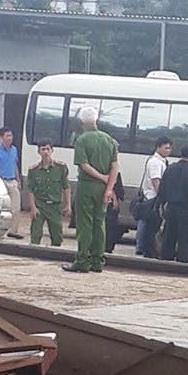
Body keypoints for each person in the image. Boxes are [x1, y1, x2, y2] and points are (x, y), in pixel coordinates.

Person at [63, 107, 118, 274]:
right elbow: (115, 166)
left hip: (87, 186)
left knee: (84, 224)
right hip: (103, 188)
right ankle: (97, 261)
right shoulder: (109, 140)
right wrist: (109, 188)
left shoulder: (82, 140)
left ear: (81, 122)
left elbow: (83, 165)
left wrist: (101, 177)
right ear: (96, 120)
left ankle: (82, 261)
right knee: (99, 224)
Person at [157, 143, 188, 263]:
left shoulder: (170, 168)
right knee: (185, 237)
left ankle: (166, 258)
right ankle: (182, 260)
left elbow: (162, 189)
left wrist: (161, 205)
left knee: (169, 235)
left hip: (171, 207)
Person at [26, 139, 70, 247]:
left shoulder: (61, 168)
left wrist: (68, 205)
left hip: (55, 206)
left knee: (57, 237)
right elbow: (31, 190)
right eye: (43, 149)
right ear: (39, 152)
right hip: (40, 205)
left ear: (52, 150)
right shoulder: (33, 170)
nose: (45, 152)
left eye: (48, 149)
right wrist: (33, 207)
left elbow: (66, 187)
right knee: (35, 236)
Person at [136, 136, 171, 257]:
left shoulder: (160, 161)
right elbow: (156, 181)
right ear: (158, 147)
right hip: (152, 198)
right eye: (166, 148)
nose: (168, 150)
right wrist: (162, 199)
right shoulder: (156, 162)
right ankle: (146, 249)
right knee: (151, 226)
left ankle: (145, 247)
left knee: (149, 224)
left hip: (152, 197)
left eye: (169, 148)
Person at [0, 128, 23, 239]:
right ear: (1, 137)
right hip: (2, 180)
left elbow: (15, 165)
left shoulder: (14, 149)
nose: (10, 138)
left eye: (11, 135)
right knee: (3, 208)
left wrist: (18, 180)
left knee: (16, 208)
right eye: (7, 136)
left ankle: (13, 230)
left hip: (12, 180)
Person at [105, 173, 126, 254]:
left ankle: (108, 245)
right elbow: (111, 185)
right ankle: (108, 246)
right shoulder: (111, 169)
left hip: (110, 199)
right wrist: (114, 200)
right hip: (110, 201)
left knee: (110, 224)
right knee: (110, 225)